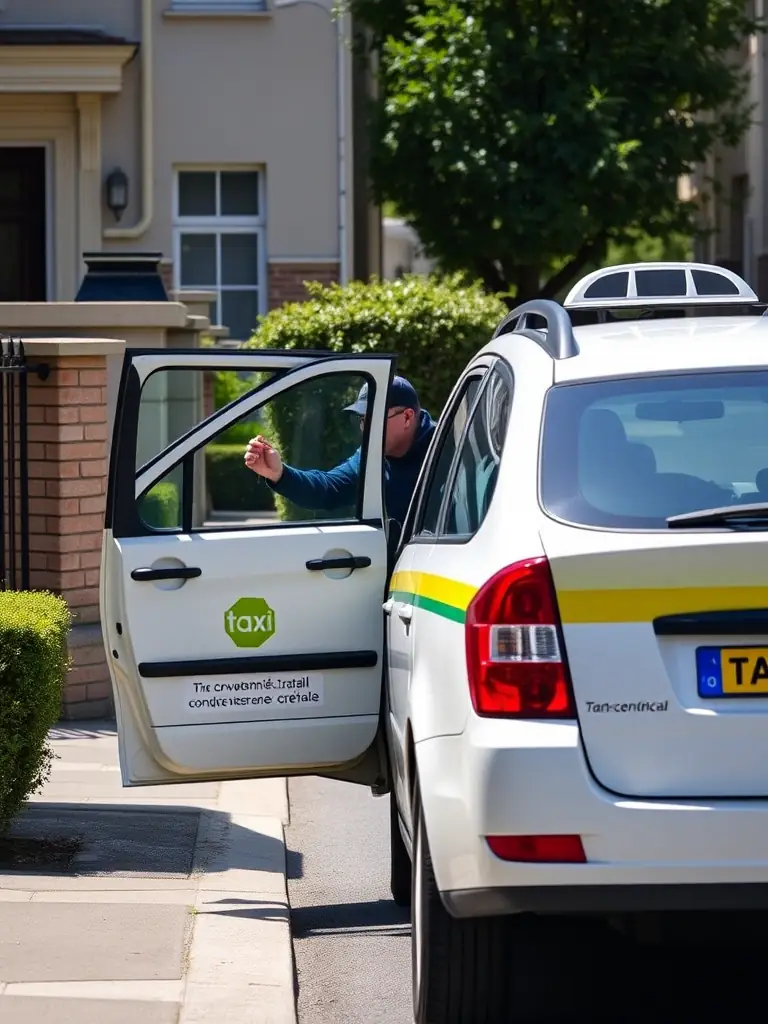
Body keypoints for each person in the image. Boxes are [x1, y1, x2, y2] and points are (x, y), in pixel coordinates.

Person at [244, 375, 436, 525]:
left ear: (407, 418)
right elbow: (328, 489)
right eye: (362, 420)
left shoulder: (447, 450)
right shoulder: (371, 456)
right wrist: (279, 474)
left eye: (374, 419)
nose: (366, 429)